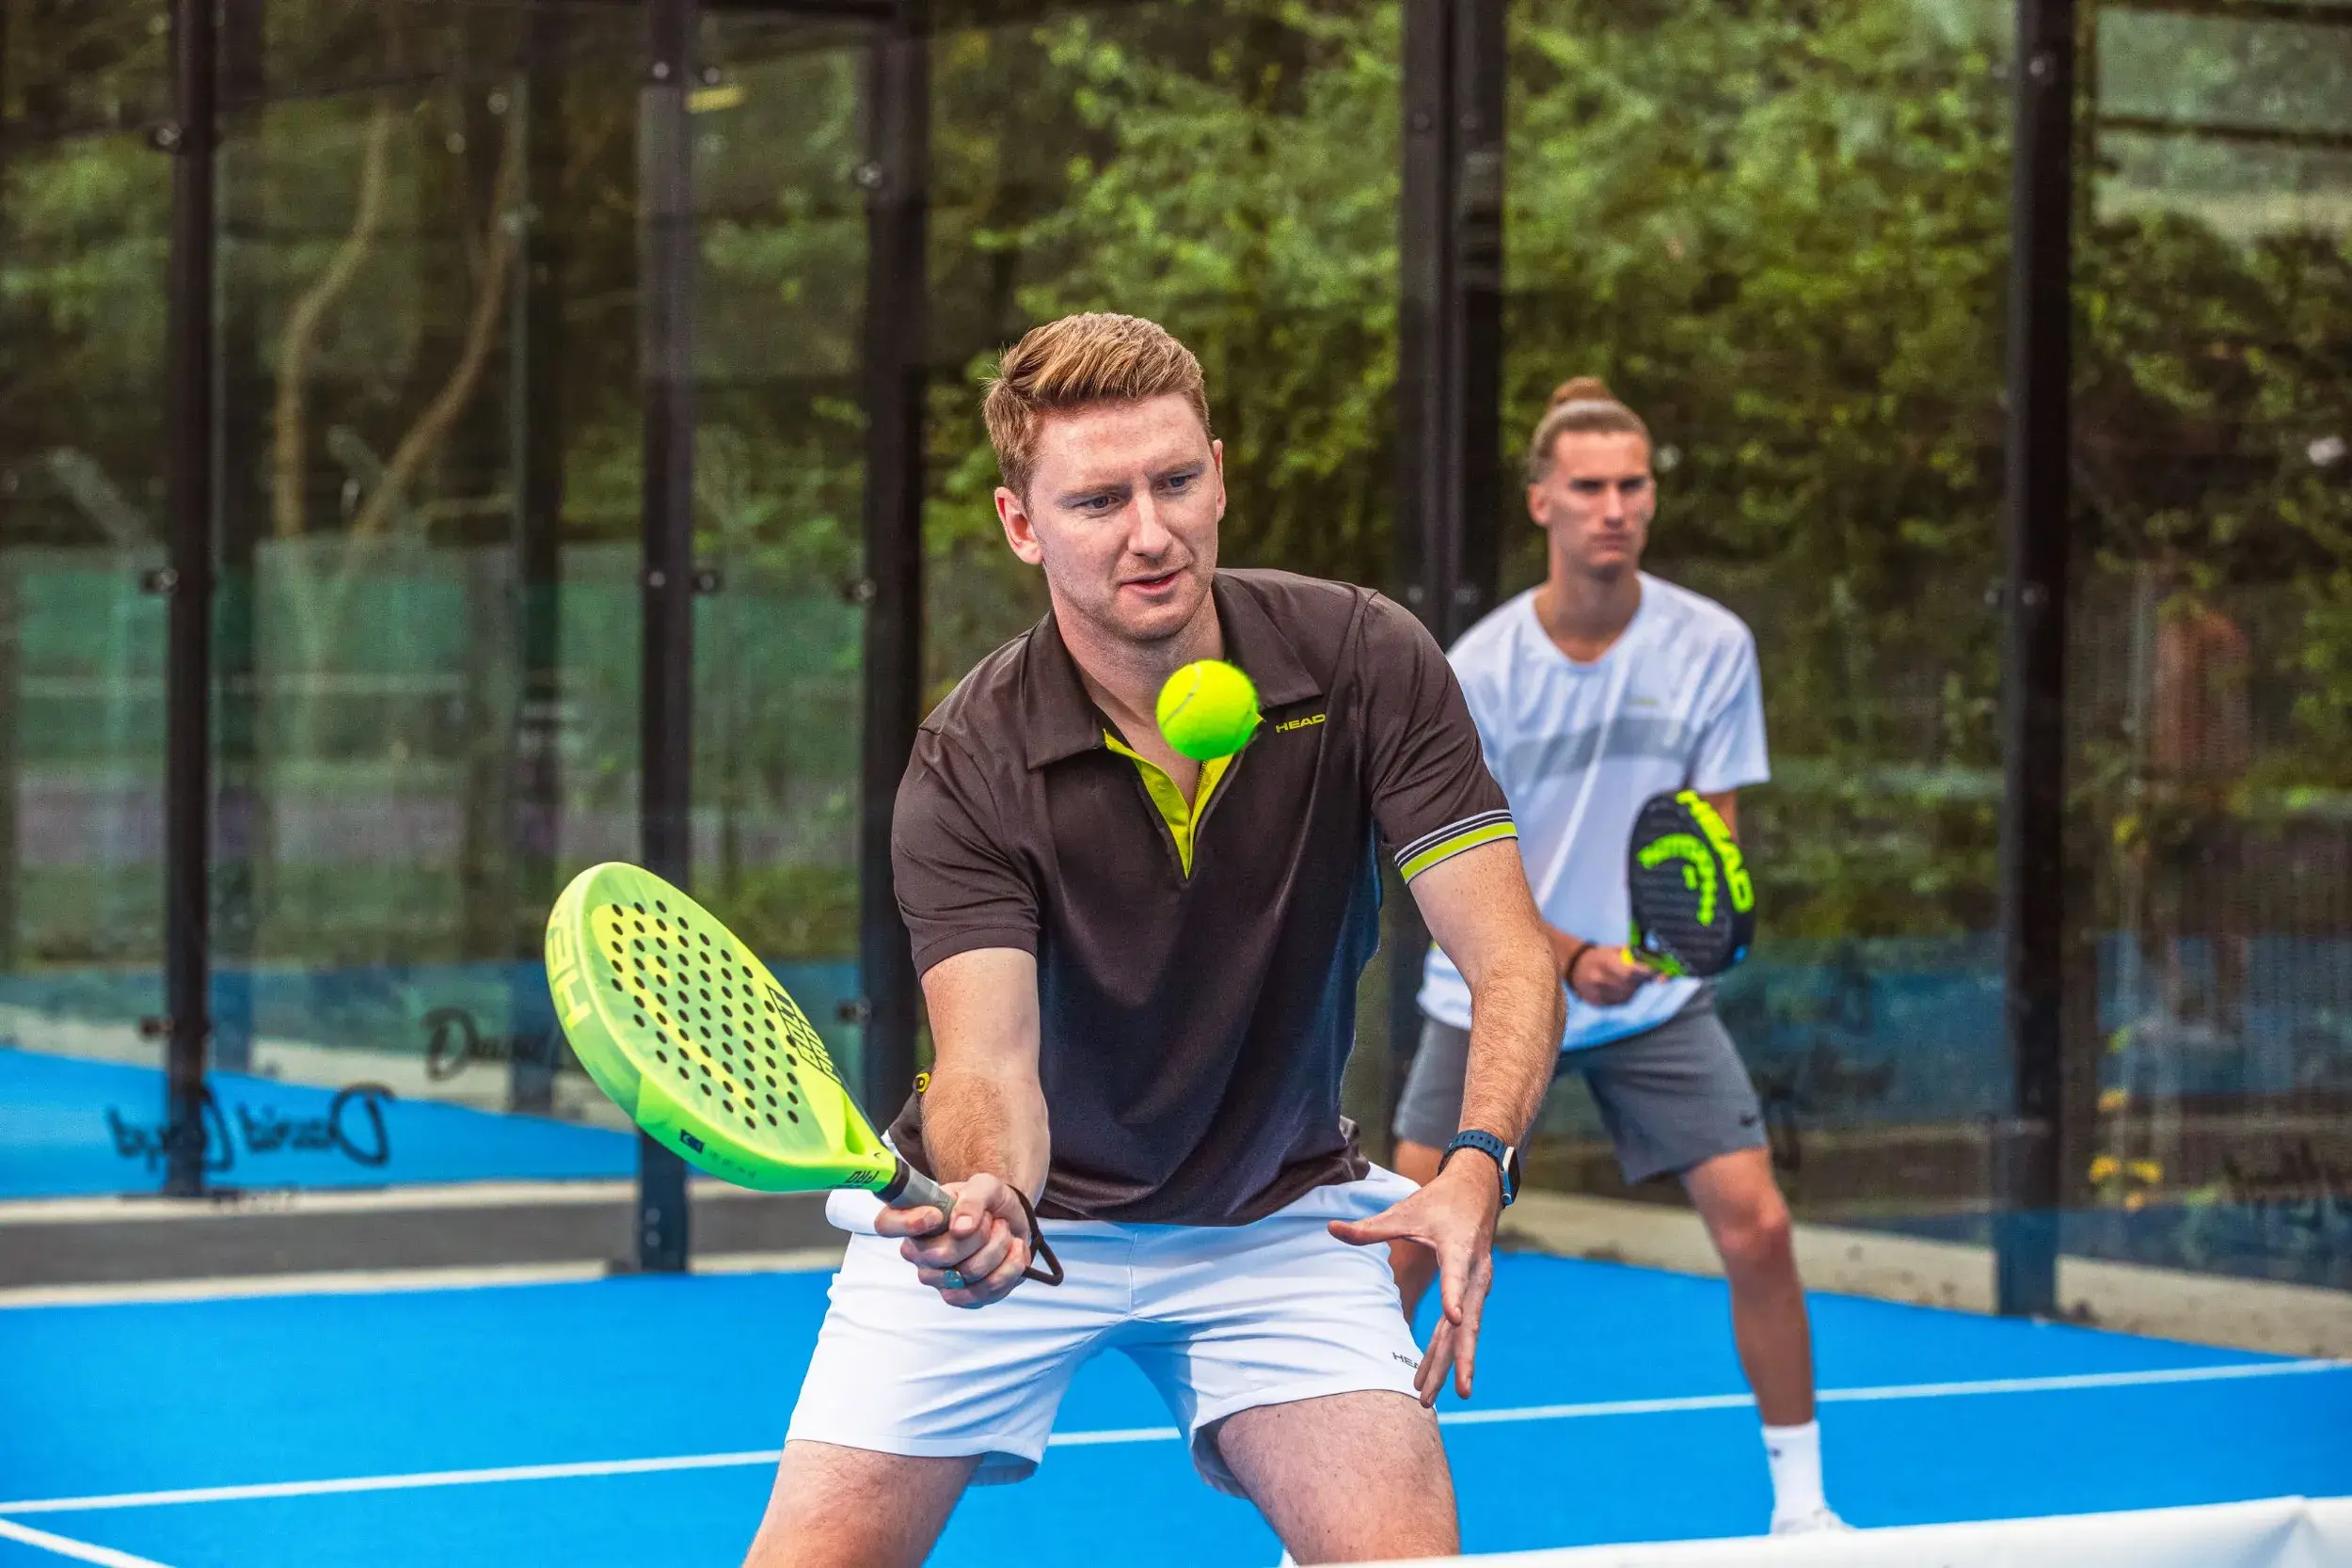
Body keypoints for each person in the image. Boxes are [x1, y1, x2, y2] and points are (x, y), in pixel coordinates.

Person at [743, 313, 1565, 1568]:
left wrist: (1476, 1161)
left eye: (1177, 481)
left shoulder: (1365, 660)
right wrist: (991, 1193)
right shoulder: (970, 760)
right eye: (1098, 499)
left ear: (1220, 474)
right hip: (1029, 1211)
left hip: (1276, 1213)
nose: (1151, 530)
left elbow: (1507, 953)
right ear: (1023, 524)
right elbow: (985, 1060)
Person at [1388, 377, 1846, 1537]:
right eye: (1587, 487)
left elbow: (1713, 837)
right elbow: (1457, 872)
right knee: (1397, 1254)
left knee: (1760, 1226)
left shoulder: (1711, 645)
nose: (1613, 506)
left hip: (1655, 1005)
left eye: (1631, 484)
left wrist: (1653, 951)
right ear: (1542, 501)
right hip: (1494, 993)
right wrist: (1567, 954)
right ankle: (1331, 1512)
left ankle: (1803, 1511)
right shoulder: (1476, 669)